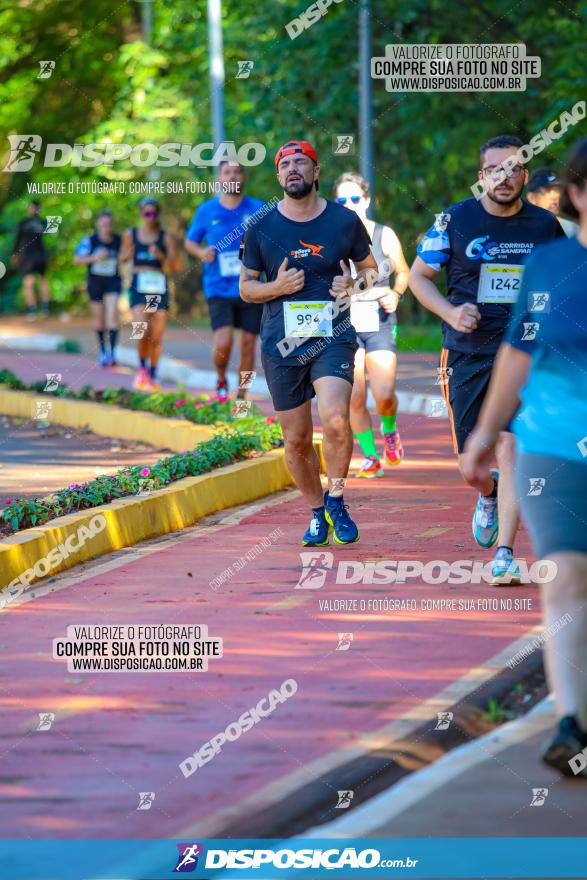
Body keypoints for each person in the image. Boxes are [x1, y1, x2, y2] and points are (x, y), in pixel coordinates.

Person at [463, 138, 587, 774]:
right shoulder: (549, 265)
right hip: (555, 445)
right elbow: (518, 350)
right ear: (577, 194)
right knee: (565, 576)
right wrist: (486, 434)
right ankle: (573, 724)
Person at [409, 135, 564, 585]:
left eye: (513, 169)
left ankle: (505, 553)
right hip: (468, 353)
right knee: (471, 466)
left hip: (523, 353)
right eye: (495, 169)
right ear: (482, 177)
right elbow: (419, 277)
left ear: (524, 176)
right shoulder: (454, 220)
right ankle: (488, 492)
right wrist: (450, 312)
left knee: (512, 445)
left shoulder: (544, 226)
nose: (505, 177)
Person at [240, 140, 378, 546]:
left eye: (301, 162)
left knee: (336, 418)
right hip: (281, 345)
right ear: (279, 176)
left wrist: (353, 285)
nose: (293, 169)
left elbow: (372, 271)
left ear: (316, 173)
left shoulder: (344, 221)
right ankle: (317, 511)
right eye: (285, 165)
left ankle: (336, 498)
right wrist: (277, 286)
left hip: (333, 337)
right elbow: (246, 290)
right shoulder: (261, 226)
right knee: (296, 439)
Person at [333, 171, 409, 477]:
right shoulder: (331, 237)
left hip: (378, 319)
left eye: (355, 198)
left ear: (366, 200)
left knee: (384, 393)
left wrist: (396, 293)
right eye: (342, 200)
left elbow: (404, 272)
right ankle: (371, 456)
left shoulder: (383, 234)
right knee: (355, 395)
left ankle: (389, 429)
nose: (349, 205)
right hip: (346, 324)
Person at [185, 161, 264, 401]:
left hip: (251, 286)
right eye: (227, 172)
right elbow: (190, 242)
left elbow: (272, 240)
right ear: (219, 179)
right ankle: (221, 379)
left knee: (249, 346)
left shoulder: (259, 208)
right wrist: (202, 253)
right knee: (224, 342)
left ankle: (242, 395)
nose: (233, 176)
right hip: (218, 287)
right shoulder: (206, 210)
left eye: (237, 172)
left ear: (244, 177)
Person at [120, 197, 181, 391]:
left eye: (154, 213)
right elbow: (121, 258)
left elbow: (176, 266)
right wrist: (127, 254)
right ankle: (142, 369)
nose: (150, 216)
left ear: (158, 214)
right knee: (141, 329)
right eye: (147, 212)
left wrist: (161, 256)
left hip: (158, 286)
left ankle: (153, 373)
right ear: (141, 214)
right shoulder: (131, 234)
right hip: (139, 285)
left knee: (157, 334)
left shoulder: (165, 238)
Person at [74, 211, 121, 367]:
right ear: (98, 225)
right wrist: (95, 257)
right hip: (95, 282)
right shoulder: (89, 241)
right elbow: (77, 260)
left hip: (113, 281)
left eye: (109, 225)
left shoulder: (119, 241)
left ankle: (112, 352)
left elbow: (127, 257)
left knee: (112, 316)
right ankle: (102, 351)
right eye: (103, 224)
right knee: (99, 319)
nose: (106, 228)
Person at [11, 200, 50, 320]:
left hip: (29, 256)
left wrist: (15, 254)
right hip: (38, 255)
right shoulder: (43, 222)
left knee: (30, 282)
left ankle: (34, 309)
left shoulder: (24, 223)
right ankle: (43, 309)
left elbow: (17, 241)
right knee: (41, 280)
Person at [526, 168, 578, 237]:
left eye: (557, 190)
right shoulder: (520, 229)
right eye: (547, 191)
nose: (555, 196)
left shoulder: (573, 229)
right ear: (532, 198)